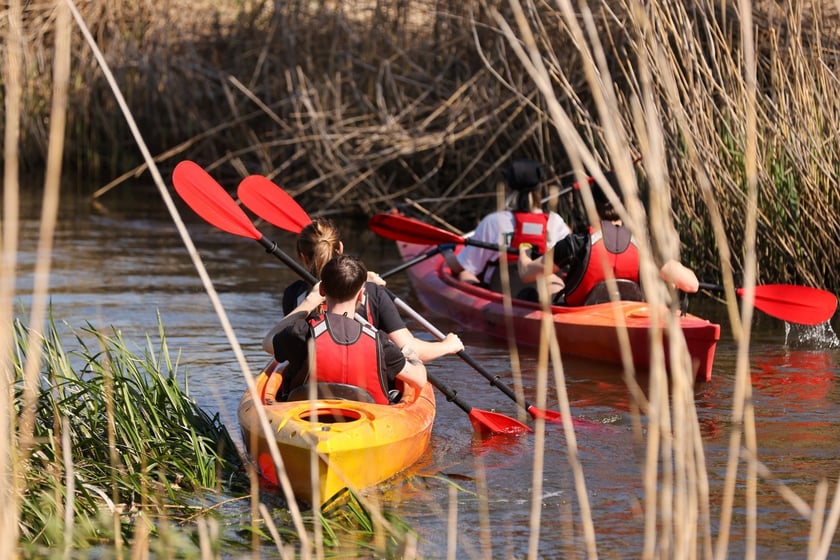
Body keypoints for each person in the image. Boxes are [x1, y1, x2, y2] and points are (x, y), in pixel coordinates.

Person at [265, 217, 464, 362]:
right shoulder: (374, 294)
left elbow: (272, 343)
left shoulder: (294, 295)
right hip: (366, 392)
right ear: (340, 248)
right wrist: (446, 346)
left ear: (302, 256)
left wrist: (310, 302)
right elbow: (410, 350)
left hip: (312, 392)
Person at [517, 170, 699, 305]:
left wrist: (523, 253)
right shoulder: (645, 247)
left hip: (581, 314)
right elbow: (692, 285)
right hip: (629, 315)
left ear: (593, 205)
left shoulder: (576, 243)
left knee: (550, 280)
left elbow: (526, 274)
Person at [269, 255, 426, 403]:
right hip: (367, 423)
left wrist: (308, 303)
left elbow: (268, 342)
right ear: (360, 296)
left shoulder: (300, 333)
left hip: (306, 418)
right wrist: (411, 355)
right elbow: (419, 380)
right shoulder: (380, 342)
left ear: (322, 290)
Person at [444, 158, 571, 299]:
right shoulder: (556, 222)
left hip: (503, 296)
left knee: (465, 274)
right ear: (539, 189)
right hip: (545, 296)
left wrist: (447, 253)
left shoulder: (493, 222)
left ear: (508, 188)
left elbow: (460, 266)